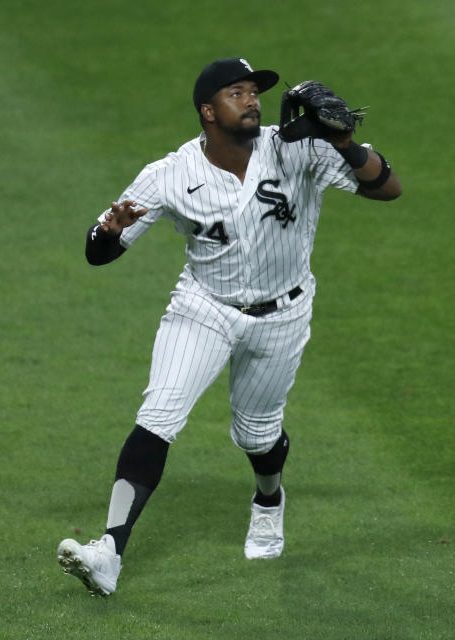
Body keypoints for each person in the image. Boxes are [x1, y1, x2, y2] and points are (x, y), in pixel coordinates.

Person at [57, 57, 401, 596]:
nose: (253, 100)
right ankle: (109, 552)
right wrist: (109, 230)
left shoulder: (299, 148)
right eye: (237, 92)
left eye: (255, 92)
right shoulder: (168, 175)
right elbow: (98, 253)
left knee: (256, 434)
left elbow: (388, 187)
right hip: (204, 308)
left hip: (283, 314)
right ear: (208, 111)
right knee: (159, 413)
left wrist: (344, 141)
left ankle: (268, 500)